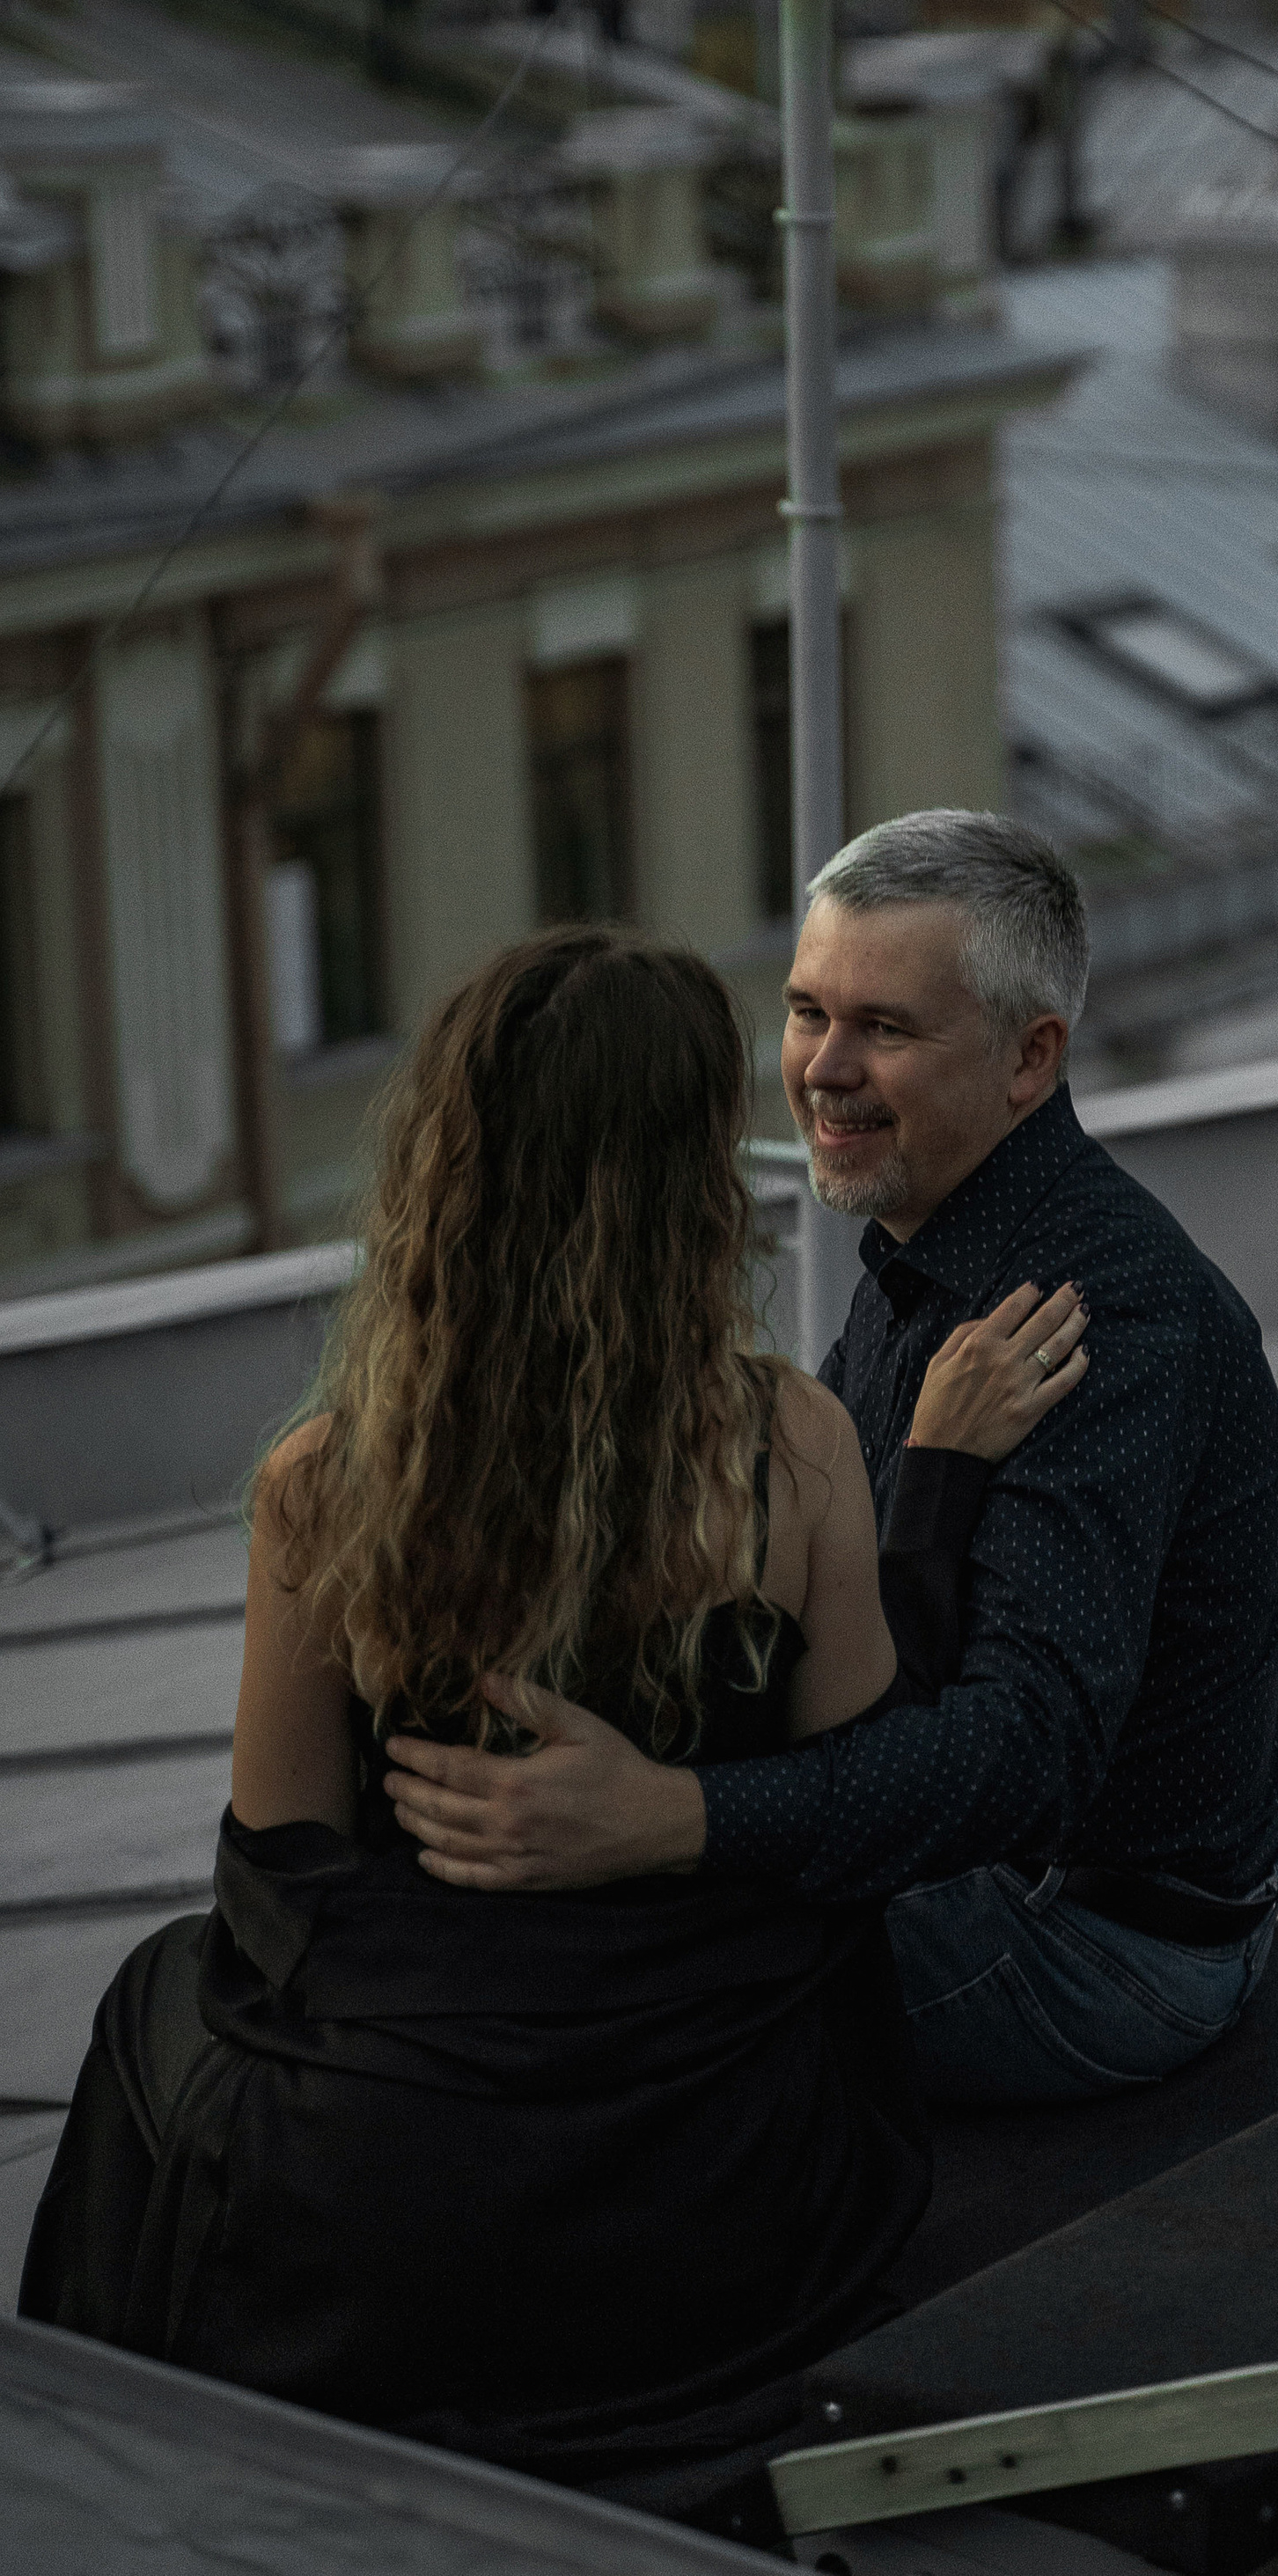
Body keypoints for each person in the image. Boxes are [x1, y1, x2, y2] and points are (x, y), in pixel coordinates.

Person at [19, 923, 1083, 2488]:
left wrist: (464, 2018)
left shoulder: (328, 1481)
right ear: (687, 1179)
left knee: (156, 1999)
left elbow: (278, 1872)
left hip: (403, 2176)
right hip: (726, 2188)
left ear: (450, 1170)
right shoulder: (789, 1445)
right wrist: (933, 1479)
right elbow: (859, 1803)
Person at [384, 814, 1278, 2107]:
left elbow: (1022, 1756)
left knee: (573, 1997)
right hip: (988, 1888)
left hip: (1092, 1947)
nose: (823, 1069)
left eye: (884, 1027)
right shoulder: (932, 1248)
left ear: (1030, 1057)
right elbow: (840, 1616)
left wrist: (668, 1818)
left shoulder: (1096, 1320)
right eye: (807, 1012)